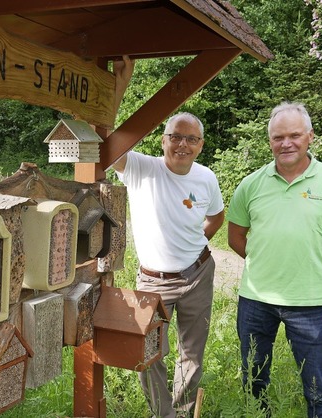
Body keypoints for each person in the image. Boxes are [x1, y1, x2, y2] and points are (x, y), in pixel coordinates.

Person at [226, 102, 322, 417]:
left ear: (310, 136)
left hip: (312, 304)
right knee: (253, 381)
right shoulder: (250, 185)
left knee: (318, 391)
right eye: (278, 137)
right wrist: (266, 260)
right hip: (255, 301)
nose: (286, 143)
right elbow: (235, 237)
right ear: (270, 141)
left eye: (294, 135)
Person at [112, 56, 225, 418]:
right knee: (148, 353)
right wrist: (120, 84)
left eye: (191, 139)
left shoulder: (206, 177)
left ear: (201, 145)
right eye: (175, 137)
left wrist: (192, 251)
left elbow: (217, 217)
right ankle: (165, 414)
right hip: (154, 283)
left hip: (198, 275)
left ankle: (184, 409)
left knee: (192, 353)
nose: (182, 145)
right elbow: (105, 139)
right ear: (163, 141)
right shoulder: (141, 168)